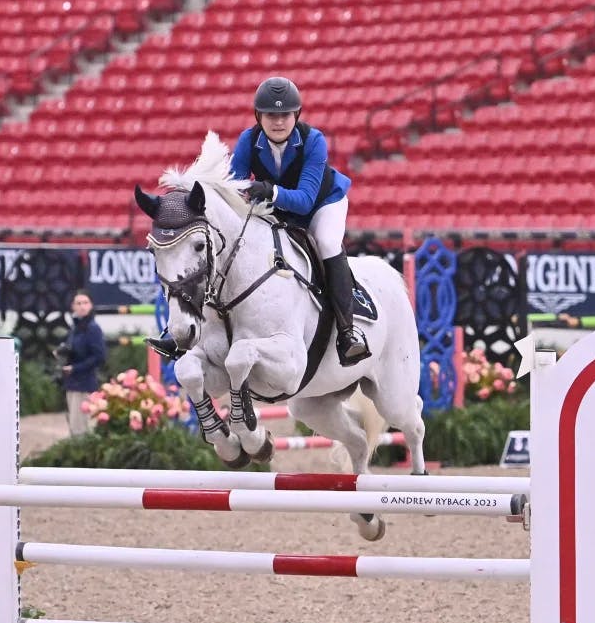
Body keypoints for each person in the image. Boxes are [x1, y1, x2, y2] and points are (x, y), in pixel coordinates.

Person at [147, 75, 369, 367]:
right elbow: (234, 189)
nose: (279, 122)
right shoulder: (248, 140)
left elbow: (303, 200)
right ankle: (181, 329)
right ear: (259, 116)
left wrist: (270, 190)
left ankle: (347, 332)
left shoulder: (314, 141)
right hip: (277, 206)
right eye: (271, 115)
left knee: (326, 242)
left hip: (321, 204)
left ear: (296, 115)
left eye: (285, 115)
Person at [57, 289, 106, 436]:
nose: (82, 306)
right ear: (73, 306)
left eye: (85, 303)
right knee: (74, 426)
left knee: (81, 429)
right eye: (78, 303)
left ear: (91, 305)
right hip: (72, 383)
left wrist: (75, 368)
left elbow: (100, 356)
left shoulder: (93, 328)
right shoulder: (75, 328)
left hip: (84, 385)